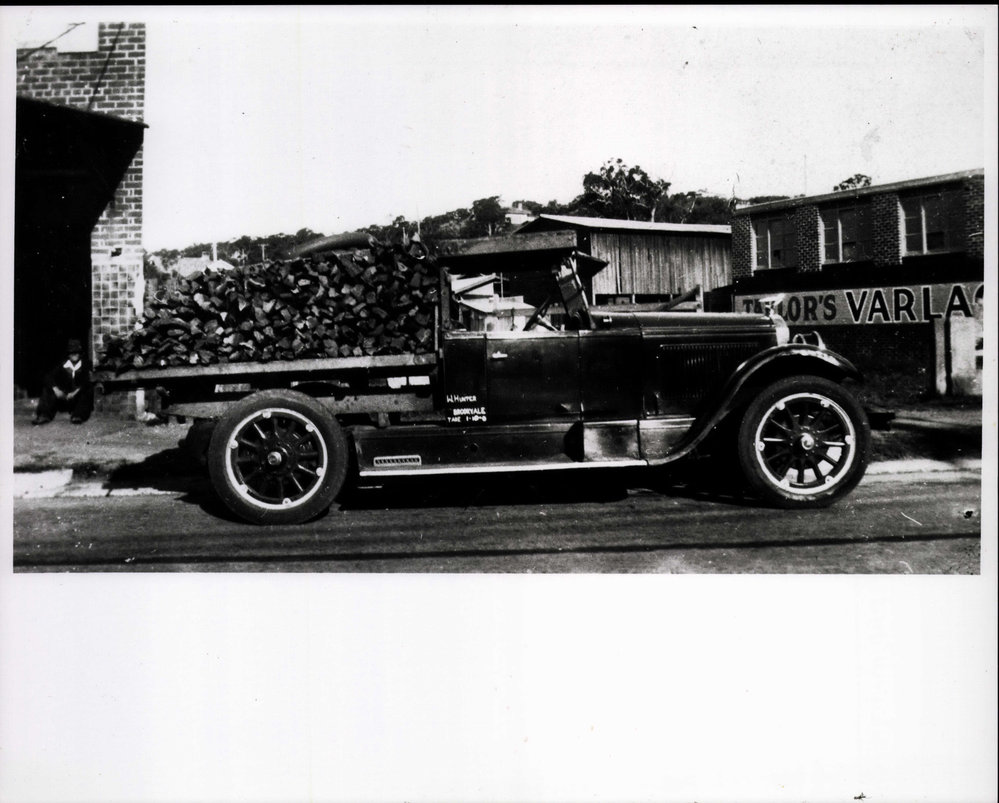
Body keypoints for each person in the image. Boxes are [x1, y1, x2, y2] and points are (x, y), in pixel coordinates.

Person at [32, 339, 94, 425]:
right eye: (72, 353)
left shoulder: (85, 365)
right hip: (64, 398)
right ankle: (44, 415)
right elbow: (49, 377)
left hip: (77, 398)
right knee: (48, 389)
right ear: (68, 355)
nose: (75, 355)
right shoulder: (62, 365)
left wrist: (74, 393)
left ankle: (78, 415)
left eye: (77, 352)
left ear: (80, 354)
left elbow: (86, 381)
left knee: (88, 391)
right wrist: (56, 390)